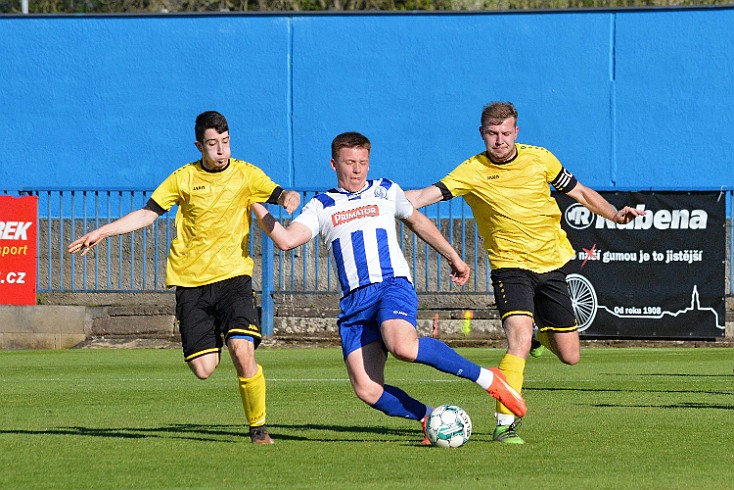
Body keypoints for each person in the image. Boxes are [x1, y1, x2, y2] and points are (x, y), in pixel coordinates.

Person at [251, 131, 526, 445]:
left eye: (363, 163)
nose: (357, 170)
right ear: (333, 164)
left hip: (391, 285)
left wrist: (454, 257)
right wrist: (255, 203)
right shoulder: (322, 205)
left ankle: (489, 378)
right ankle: (427, 417)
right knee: (367, 389)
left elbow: (418, 222)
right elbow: (286, 241)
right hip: (355, 302)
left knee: (403, 346)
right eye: (349, 163)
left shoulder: (385, 190)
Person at [406, 101, 645, 444]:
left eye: (505, 133)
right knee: (516, 337)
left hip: (550, 264)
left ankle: (539, 338)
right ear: (482, 134)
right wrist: (384, 199)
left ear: (516, 132)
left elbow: (579, 192)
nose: (499, 140)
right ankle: (505, 424)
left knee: (570, 355)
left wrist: (613, 214)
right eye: (492, 133)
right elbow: (425, 195)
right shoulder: (471, 171)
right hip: (509, 267)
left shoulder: (540, 158)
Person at [68, 111, 300, 444]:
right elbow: (148, 213)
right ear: (199, 146)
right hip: (191, 284)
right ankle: (218, 342)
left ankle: (258, 428)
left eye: (225, 142)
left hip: (234, 278)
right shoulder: (183, 178)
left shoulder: (246, 174)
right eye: (212, 144)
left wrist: (288, 197)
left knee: (241, 348)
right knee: (204, 369)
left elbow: (278, 193)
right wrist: (104, 231)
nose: (221, 151)